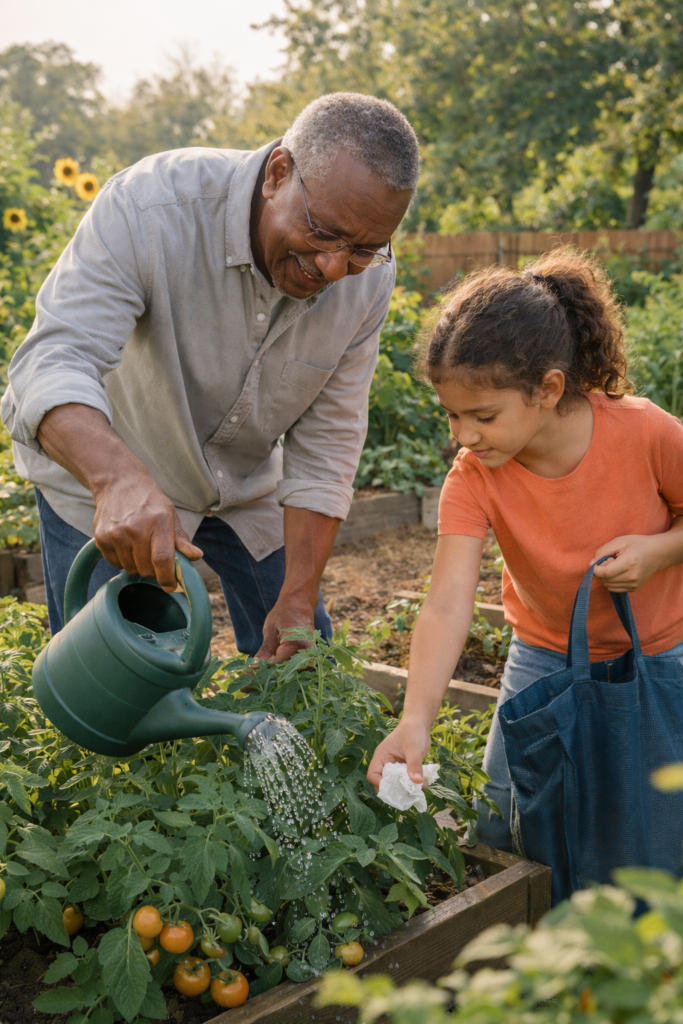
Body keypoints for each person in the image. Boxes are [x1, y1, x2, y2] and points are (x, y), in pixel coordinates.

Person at [2, 93, 420, 659]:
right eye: (324, 233)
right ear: (278, 173)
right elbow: (52, 361)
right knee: (112, 678)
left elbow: (328, 442)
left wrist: (299, 595)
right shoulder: (150, 207)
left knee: (303, 655)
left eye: (365, 249)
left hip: (245, 487)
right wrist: (117, 481)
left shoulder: (364, 280)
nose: (334, 266)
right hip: (110, 476)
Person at [367, 247, 683, 852]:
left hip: (658, 654)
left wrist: (658, 552)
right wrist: (414, 721)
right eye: (452, 416)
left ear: (548, 389)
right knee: (502, 817)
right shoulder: (473, 477)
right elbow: (447, 604)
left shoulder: (644, 432)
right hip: (544, 656)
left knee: (648, 818)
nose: (464, 435)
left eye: (483, 416)